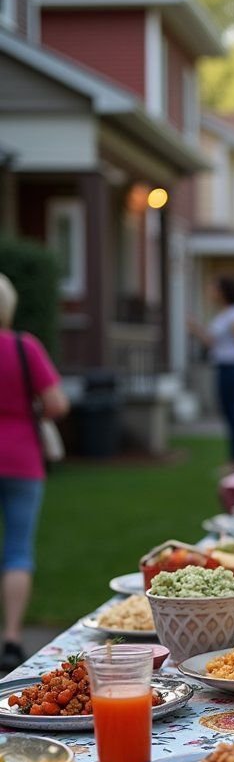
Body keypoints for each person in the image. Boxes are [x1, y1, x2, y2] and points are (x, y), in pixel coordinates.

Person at [0, 274, 69, 673]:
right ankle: (11, 636)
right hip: (22, 457)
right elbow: (57, 402)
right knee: (17, 550)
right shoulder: (26, 348)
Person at [189, 278, 234, 469]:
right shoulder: (222, 315)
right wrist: (196, 329)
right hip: (223, 366)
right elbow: (212, 342)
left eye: (214, 289)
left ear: (224, 291)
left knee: (233, 413)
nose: (210, 293)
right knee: (227, 412)